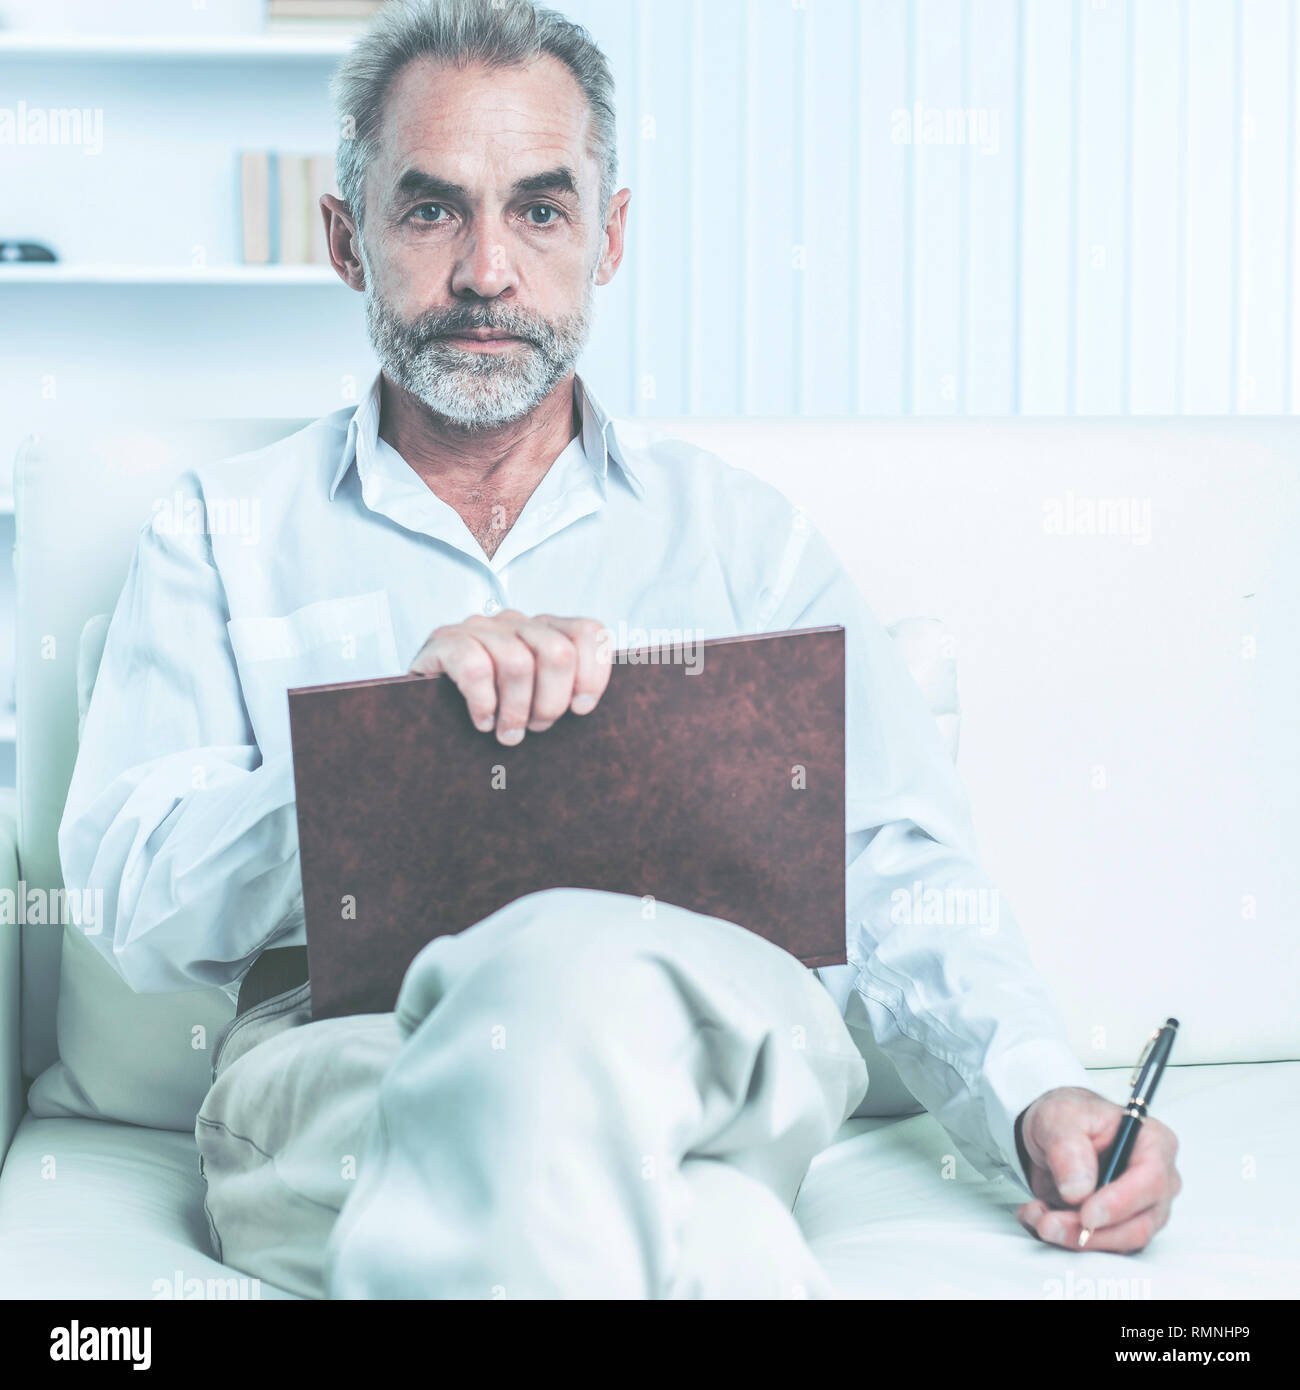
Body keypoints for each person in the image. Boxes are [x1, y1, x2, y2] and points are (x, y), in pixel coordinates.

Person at [58, 0, 1180, 1299]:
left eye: (540, 210)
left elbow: (893, 866)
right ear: (346, 239)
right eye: (430, 211)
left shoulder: (745, 542)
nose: (488, 268)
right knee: (695, 1229)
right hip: (353, 1052)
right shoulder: (220, 531)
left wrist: (1039, 1091)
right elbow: (130, 900)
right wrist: (388, 762)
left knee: (557, 1028)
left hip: (703, 1031)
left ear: (611, 236)